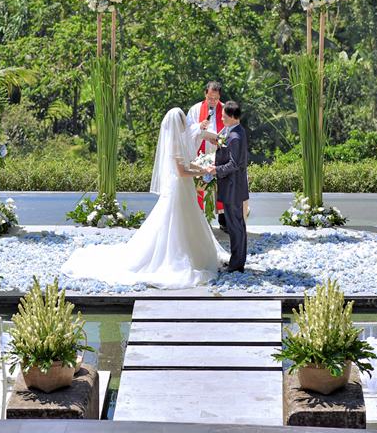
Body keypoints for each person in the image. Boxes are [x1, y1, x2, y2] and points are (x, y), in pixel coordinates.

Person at [61, 108, 228, 288]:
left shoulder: (178, 140)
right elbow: (181, 171)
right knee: (175, 221)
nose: (186, 124)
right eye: (183, 121)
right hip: (179, 187)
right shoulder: (174, 143)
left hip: (183, 187)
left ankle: (194, 254)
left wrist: (202, 167)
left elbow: (188, 163)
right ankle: (179, 256)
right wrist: (202, 171)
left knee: (185, 220)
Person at [204, 101, 249, 272]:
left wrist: (215, 170)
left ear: (231, 117)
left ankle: (237, 264)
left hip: (233, 188)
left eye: (223, 116)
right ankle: (237, 261)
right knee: (236, 225)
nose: (221, 118)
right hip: (233, 187)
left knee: (235, 226)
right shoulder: (235, 131)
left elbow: (234, 164)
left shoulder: (236, 136)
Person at [187, 81, 225, 225]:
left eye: (215, 99)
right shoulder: (196, 109)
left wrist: (220, 140)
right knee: (200, 184)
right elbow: (187, 129)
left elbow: (230, 128)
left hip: (219, 154)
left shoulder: (225, 109)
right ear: (205, 94)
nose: (213, 102)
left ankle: (223, 219)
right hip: (201, 155)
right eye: (210, 98)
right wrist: (199, 127)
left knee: (222, 186)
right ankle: (200, 221)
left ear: (219, 96)